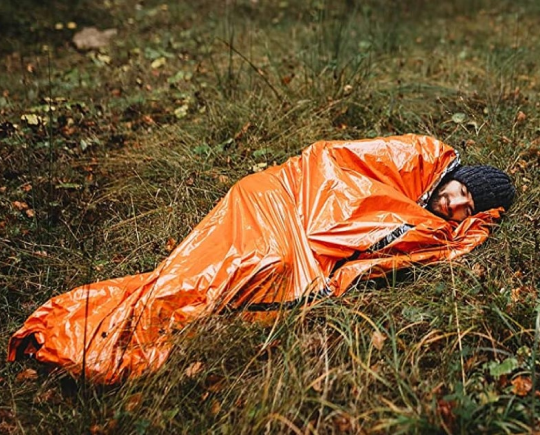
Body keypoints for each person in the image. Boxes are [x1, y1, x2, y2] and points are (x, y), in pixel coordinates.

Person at [8, 134, 515, 383]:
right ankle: (106, 329)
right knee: (243, 265)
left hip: (307, 250)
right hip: (275, 198)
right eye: (460, 192)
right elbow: (328, 161)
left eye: (467, 209)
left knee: (258, 277)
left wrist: (464, 232)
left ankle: (117, 331)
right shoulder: (413, 158)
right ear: (456, 176)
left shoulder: (436, 228)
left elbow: (375, 257)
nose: (455, 205)